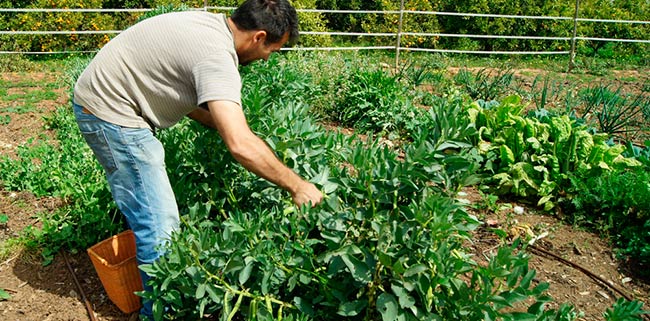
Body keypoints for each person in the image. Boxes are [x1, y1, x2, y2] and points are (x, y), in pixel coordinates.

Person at [72, 0, 323, 319]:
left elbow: (170, 79)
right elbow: (240, 145)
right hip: (112, 114)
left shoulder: (208, 25)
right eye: (272, 50)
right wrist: (297, 186)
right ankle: (157, 314)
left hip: (102, 97)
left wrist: (228, 126)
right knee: (159, 226)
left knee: (153, 214)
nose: (266, 58)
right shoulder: (217, 57)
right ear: (259, 37)